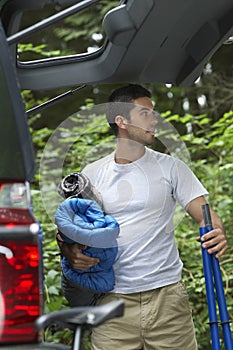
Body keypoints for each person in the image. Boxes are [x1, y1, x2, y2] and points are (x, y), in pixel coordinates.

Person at [58, 84, 228, 350]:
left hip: (167, 299)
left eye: (154, 113)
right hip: (111, 303)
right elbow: (70, 228)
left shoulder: (171, 167)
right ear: (121, 121)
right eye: (145, 113)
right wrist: (68, 250)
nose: (154, 119)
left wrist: (216, 231)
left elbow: (206, 215)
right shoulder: (92, 173)